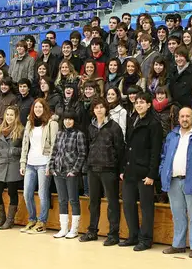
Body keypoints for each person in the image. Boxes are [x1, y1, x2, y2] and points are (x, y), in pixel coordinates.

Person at [159, 106, 192, 257]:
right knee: (177, 214)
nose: (185, 119)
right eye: (182, 116)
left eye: (188, 116)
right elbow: (164, 155)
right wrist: (163, 171)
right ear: (178, 118)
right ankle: (178, 245)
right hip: (173, 180)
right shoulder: (172, 135)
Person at [120, 92, 163, 251]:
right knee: (128, 205)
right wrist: (123, 168)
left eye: (142, 102)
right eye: (136, 102)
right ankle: (133, 236)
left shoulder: (154, 124)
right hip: (130, 170)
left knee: (146, 208)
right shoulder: (132, 119)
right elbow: (127, 146)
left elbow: (155, 151)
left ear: (149, 105)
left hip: (145, 172)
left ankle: (145, 239)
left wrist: (152, 174)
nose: (138, 105)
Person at [79, 98, 125, 245]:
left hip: (109, 169)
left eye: (101, 107)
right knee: (93, 203)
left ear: (106, 109)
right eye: (96, 107)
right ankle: (92, 231)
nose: (99, 110)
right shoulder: (90, 127)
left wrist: (119, 169)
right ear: (93, 110)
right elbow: (87, 147)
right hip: (93, 168)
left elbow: (120, 149)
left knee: (112, 203)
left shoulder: (114, 127)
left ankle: (113, 234)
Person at [20, 98, 59, 234]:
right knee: (27, 193)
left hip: (44, 163)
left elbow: (55, 144)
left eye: (40, 107)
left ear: (45, 108)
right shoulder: (29, 122)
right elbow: (25, 143)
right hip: (30, 163)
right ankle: (32, 219)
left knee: (43, 194)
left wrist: (50, 164)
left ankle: (42, 222)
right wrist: (23, 163)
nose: (37, 109)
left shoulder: (51, 123)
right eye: (35, 107)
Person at [48, 110, 87, 239]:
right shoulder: (60, 134)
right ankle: (63, 228)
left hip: (71, 173)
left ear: (74, 121)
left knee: (73, 200)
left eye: (70, 119)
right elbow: (54, 151)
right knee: (62, 200)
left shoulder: (79, 134)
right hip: (58, 172)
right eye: (65, 119)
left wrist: (75, 170)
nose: (67, 121)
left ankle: (74, 229)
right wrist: (51, 167)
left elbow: (82, 154)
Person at [0, 106, 24, 230]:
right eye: (7, 115)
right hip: (1, 164)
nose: (9, 117)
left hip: (13, 164)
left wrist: (13, 151)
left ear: (15, 116)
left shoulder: (21, 130)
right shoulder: (0, 129)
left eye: (12, 115)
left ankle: (10, 220)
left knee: (12, 192)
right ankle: (2, 218)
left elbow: (25, 148)